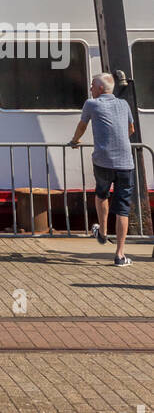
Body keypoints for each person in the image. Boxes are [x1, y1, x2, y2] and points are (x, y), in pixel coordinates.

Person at [70, 73, 136, 267]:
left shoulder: (92, 104)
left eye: (92, 85)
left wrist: (75, 141)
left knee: (102, 194)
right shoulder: (124, 104)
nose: (90, 88)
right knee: (123, 209)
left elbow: (82, 126)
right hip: (125, 162)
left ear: (99, 89)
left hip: (103, 160)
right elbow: (131, 129)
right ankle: (120, 256)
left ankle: (103, 232)